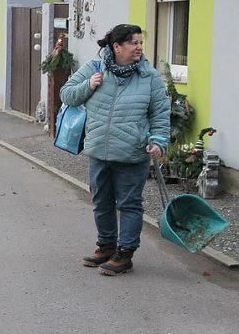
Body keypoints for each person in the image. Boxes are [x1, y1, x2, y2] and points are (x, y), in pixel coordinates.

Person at [60, 24, 170, 275]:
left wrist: (159, 142)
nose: (139, 47)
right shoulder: (94, 68)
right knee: (101, 202)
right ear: (116, 47)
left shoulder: (149, 77)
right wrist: (88, 85)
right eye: (133, 43)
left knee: (129, 204)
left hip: (133, 153)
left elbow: (160, 114)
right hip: (99, 150)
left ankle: (125, 254)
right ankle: (106, 246)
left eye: (140, 42)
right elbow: (66, 94)